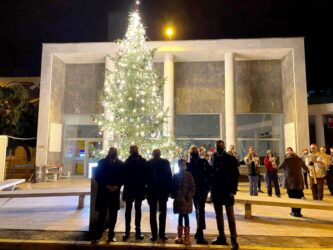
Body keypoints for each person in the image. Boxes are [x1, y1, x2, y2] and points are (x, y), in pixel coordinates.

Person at [210, 140, 240, 250]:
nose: (220, 147)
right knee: (219, 216)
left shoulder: (230, 158)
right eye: (218, 145)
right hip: (217, 191)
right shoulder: (213, 158)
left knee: (230, 216)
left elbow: (235, 176)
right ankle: (221, 236)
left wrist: (233, 191)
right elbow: (211, 174)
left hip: (227, 191)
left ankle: (233, 239)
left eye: (221, 145)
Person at [92, 147, 124, 243]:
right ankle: (98, 235)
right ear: (109, 152)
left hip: (114, 193)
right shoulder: (101, 162)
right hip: (104, 192)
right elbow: (97, 176)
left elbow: (123, 177)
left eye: (115, 152)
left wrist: (117, 186)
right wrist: (106, 186)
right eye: (112, 152)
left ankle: (111, 235)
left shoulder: (120, 164)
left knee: (113, 215)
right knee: (101, 215)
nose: (114, 153)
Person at [187, 145, 212, 244]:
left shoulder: (194, 163)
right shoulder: (201, 162)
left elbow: (209, 173)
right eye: (193, 150)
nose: (194, 152)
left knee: (199, 210)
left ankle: (199, 233)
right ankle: (199, 233)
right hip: (198, 190)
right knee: (200, 210)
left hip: (200, 190)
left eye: (194, 150)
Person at [146, 149, 172, 241]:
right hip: (160, 191)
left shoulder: (149, 163)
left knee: (154, 213)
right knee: (161, 213)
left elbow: (169, 176)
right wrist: (169, 190)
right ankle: (160, 234)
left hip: (155, 191)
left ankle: (155, 234)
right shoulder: (165, 162)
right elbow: (169, 176)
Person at [122, 145, 147, 240]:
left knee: (137, 210)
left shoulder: (141, 161)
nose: (134, 151)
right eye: (133, 150)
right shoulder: (128, 161)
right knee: (130, 210)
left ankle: (136, 231)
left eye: (134, 150)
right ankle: (128, 231)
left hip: (136, 189)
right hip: (132, 188)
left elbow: (145, 175)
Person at [278, 147, 308, 217]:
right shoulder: (299, 159)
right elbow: (305, 168)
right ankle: (298, 212)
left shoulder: (286, 159)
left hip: (289, 181)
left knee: (291, 196)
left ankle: (294, 212)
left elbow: (279, 167)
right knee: (298, 196)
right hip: (298, 180)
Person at [171, 159, 195, 245]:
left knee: (186, 217)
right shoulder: (176, 175)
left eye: (183, 165)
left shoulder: (189, 175)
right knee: (180, 216)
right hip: (178, 200)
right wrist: (173, 195)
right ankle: (180, 235)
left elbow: (192, 187)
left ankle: (187, 236)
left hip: (186, 200)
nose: (182, 166)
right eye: (181, 165)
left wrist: (188, 196)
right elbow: (172, 186)